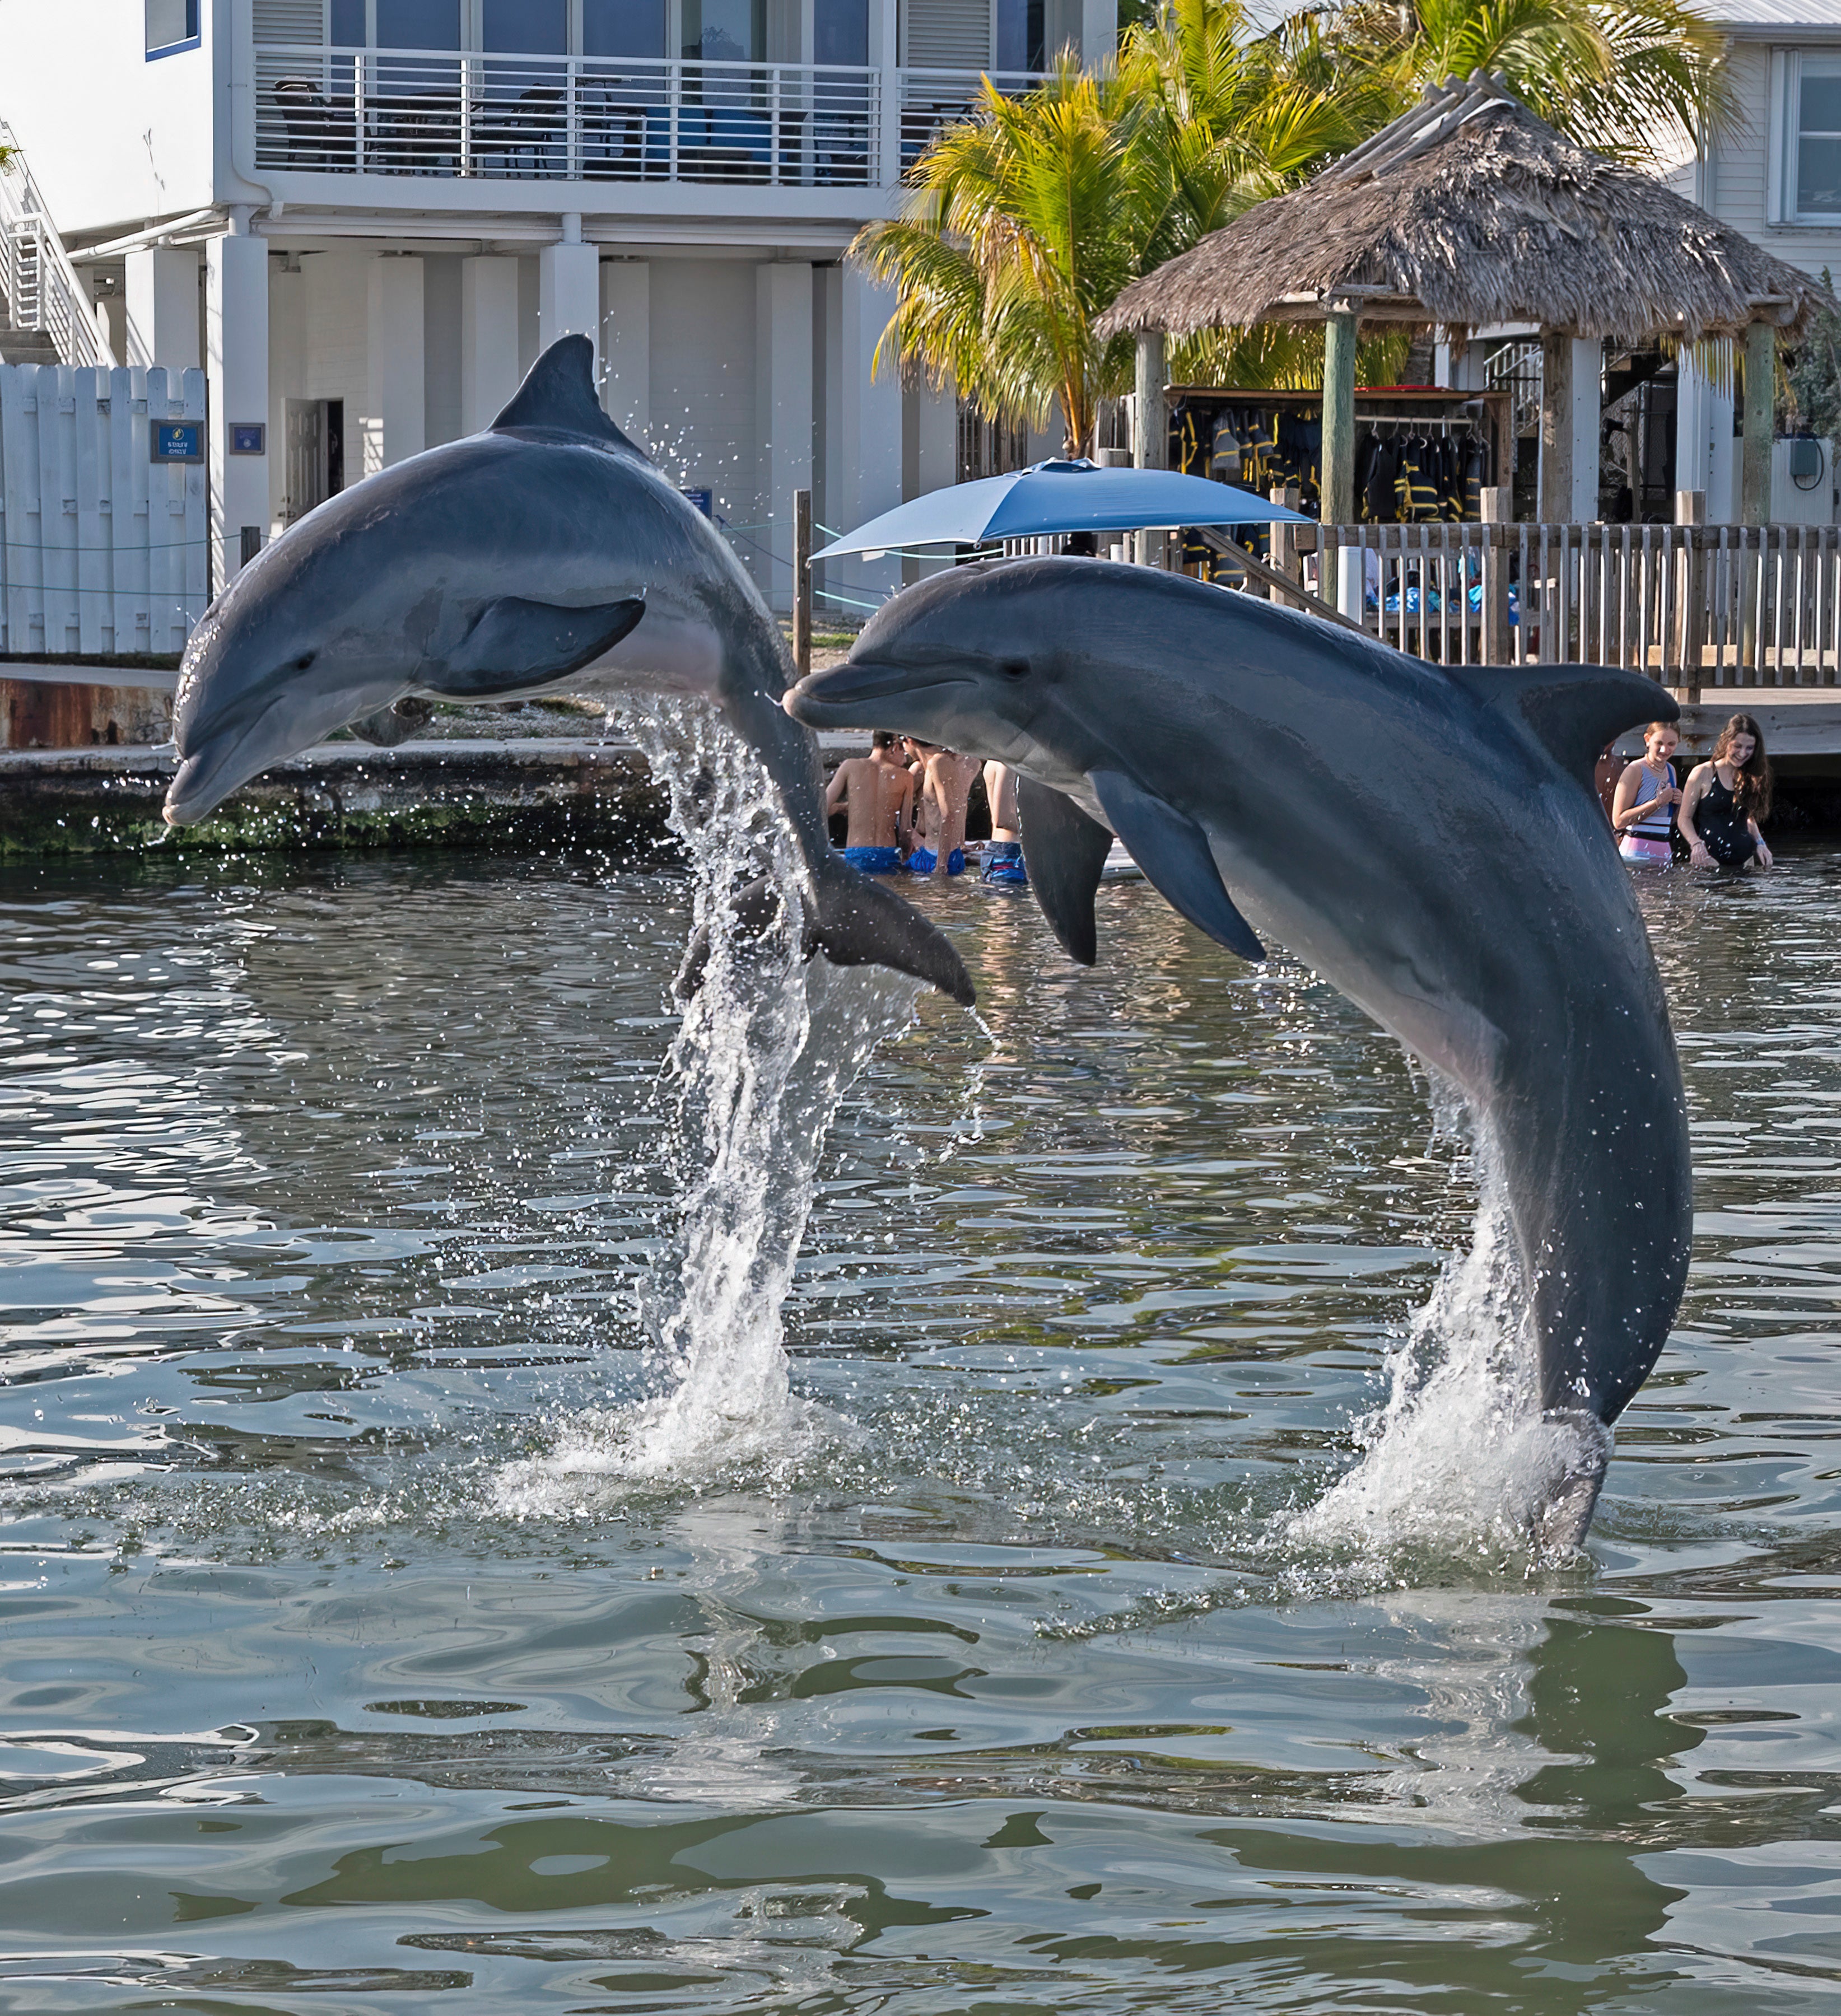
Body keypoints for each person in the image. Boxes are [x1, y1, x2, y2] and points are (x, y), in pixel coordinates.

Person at [1678, 712, 1774, 870]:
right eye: (1737, 746)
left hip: (1745, 864)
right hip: (1709, 863)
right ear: (1726, 740)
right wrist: (1696, 844)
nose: (1743, 753)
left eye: (1749, 748)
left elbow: (1747, 817)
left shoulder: (1752, 776)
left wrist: (1761, 843)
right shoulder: (1703, 773)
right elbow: (1684, 818)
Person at [826, 730, 913, 875]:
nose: (905, 761)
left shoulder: (850, 767)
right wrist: (905, 858)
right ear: (895, 748)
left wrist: (842, 808)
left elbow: (822, 808)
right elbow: (905, 830)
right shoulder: (905, 777)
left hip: (857, 855)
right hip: (887, 856)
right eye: (904, 754)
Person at [905, 739, 982, 876]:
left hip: (935, 855)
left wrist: (941, 864)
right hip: (951, 853)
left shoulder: (934, 765)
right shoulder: (969, 763)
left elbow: (950, 814)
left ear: (910, 741)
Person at [1610, 721, 1682, 866]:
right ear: (1648, 739)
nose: (1665, 749)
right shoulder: (1635, 770)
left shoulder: (1671, 770)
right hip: (1636, 854)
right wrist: (1657, 803)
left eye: (1671, 744)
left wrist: (1679, 803)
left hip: (1664, 853)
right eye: (1659, 743)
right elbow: (1619, 822)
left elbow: (1670, 821)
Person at [981, 760, 1028, 886]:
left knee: (999, 904)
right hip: (1009, 854)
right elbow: (1004, 820)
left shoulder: (991, 762)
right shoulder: (1008, 765)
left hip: (1000, 851)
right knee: (1010, 904)